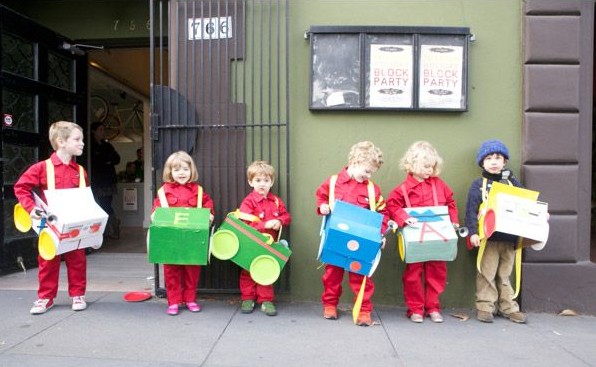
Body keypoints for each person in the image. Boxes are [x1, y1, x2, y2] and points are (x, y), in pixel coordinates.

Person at [14, 121, 90, 314]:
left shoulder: (81, 171)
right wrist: (31, 209)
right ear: (61, 141)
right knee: (48, 260)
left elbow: (86, 197)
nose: (82, 143)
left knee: (78, 259)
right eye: (77, 139)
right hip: (50, 225)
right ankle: (45, 297)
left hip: (74, 223)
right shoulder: (41, 167)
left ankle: (78, 294)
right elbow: (20, 187)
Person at [315, 141, 389, 326]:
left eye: (372, 173)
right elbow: (321, 198)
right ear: (355, 161)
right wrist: (322, 207)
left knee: (362, 276)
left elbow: (383, 213)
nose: (368, 176)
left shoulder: (372, 189)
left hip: (362, 243)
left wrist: (381, 234)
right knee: (332, 273)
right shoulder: (333, 182)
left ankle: (364, 310)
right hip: (336, 239)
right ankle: (330, 305)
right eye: (366, 171)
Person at [386, 141, 459, 324]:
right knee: (413, 274)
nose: (429, 170)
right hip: (415, 238)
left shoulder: (439, 185)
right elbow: (391, 206)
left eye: (432, 167)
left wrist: (453, 220)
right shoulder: (402, 189)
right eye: (426, 166)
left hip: (438, 237)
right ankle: (415, 309)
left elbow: (450, 202)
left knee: (437, 272)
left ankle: (433, 307)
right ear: (412, 164)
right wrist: (403, 218)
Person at [464, 139, 527, 324]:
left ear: (504, 161)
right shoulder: (478, 185)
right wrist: (472, 232)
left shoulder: (513, 183)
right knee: (487, 273)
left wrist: (540, 215)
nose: (493, 161)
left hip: (510, 238)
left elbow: (526, 203)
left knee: (505, 275)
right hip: (489, 238)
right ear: (482, 162)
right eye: (489, 158)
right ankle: (485, 307)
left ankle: (508, 307)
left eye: (498, 157)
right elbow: (470, 211)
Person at [151, 151, 215, 316]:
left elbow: (208, 206)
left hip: (192, 239)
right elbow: (156, 211)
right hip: (170, 240)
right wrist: (154, 216)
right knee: (171, 271)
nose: (181, 173)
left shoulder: (198, 191)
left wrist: (209, 215)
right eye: (177, 169)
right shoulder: (162, 192)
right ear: (170, 171)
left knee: (192, 270)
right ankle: (173, 301)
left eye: (185, 169)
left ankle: (190, 299)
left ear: (191, 170)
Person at [236, 161, 291, 316]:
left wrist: (280, 221)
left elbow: (287, 216)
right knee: (247, 271)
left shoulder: (276, 201)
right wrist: (265, 224)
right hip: (251, 243)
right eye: (258, 181)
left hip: (269, 245)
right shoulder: (248, 202)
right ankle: (247, 298)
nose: (262, 184)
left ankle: (266, 300)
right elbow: (244, 224)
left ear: (271, 182)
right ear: (250, 182)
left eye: (266, 181)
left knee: (266, 271)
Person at [90, 121, 121, 239]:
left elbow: (117, 159)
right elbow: (95, 161)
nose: (103, 132)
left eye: (103, 130)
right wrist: (106, 160)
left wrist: (105, 160)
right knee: (100, 205)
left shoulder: (107, 145)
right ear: (94, 131)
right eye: (100, 130)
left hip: (108, 180)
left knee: (105, 204)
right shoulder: (91, 145)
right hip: (96, 180)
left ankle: (111, 226)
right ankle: (109, 227)